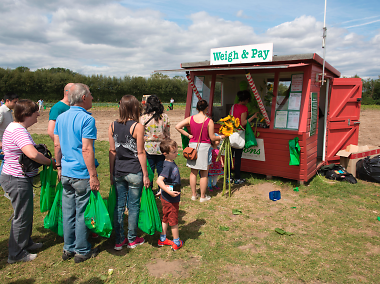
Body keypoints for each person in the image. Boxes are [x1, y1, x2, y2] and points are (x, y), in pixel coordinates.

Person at [0, 99, 55, 264]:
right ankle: (16, 254)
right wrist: (51, 162)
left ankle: (26, 242)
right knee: (22, 216)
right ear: (26, 114)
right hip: (16, 179)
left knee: (26, 213)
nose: (38, 114)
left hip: (17, 177)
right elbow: (32, 154)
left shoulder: (16, 128)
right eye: (35, 112)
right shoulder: (18, 131)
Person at [54, 83, 100, 263]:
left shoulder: (61, 117)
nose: (92, 98)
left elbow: (57, 145)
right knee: (81, 211)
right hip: (81, 174)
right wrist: (93, 175)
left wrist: (59, 166)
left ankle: (68, 247)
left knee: (68, 211)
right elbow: (87, 150)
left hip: (66, 172)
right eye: (90, 95)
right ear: (83, 97)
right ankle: (81, 250)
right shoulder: (87, 119)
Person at [109, 95, 150, 251]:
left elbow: (112, 151)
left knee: (119, 206)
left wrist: (111, 172)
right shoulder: (138, 127)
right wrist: (145, 174)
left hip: (119, 171)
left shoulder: (112, 126)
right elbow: (140, 152)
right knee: (133, 207)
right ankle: (132, 239)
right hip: (134, 171)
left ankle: (119, 241)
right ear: (135, 108)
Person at [175, 99, 224, 202]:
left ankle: (193, 195)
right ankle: (202, 196)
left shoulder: (191, 118)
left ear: (197, 108)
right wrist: (222, 137)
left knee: (193, 172)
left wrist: (188, 135)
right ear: (207, 108)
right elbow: (212, 138)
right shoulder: (209, 121)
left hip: (192, 146)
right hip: (204, 148)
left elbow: (177, 126)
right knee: (204, 173)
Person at [156, 139, 183, 251]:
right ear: (165, 154)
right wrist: (169, 192)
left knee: (166, 218)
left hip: (167, 197)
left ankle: (162, 239)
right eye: (174, 152)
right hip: (171, 199)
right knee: (173, 220)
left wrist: (161, 191)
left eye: (176, 151)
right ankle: (176, 242)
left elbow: (165, 182)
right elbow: (159, 181)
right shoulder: (168, 166)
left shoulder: (169, 162)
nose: (177, 153)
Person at [140, 95, 170, 190]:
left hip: (148, 147)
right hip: (162, 147)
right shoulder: (165, 117)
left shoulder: (144, 118)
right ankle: (162, 189)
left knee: (150, 169)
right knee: (161, 169)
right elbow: (167, 134)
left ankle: (149, 188)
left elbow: (141, 134)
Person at [229, 90, 258, 184]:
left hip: (231, 134)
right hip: (239, 135)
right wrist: (253, 116)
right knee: (237, 158)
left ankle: (229, 177)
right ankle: (237, 178)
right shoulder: (244, 108)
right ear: (246, 99)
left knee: (230, 157)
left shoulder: (233, 106)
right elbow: (243, 122)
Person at [0, 93, 19, 179]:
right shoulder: (2, 111)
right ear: (7, 101)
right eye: (15, 102)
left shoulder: (8, 111)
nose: (16, 104)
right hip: (1, 143)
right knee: (6, 159)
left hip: (5, 142)